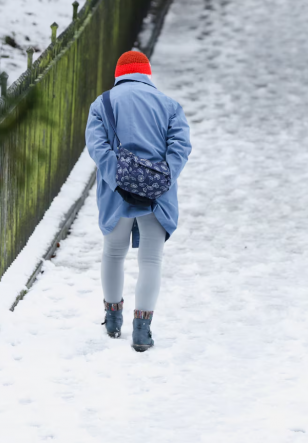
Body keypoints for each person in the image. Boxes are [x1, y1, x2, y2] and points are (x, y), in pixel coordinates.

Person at [85, 50, 192, 352]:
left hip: (115, 194)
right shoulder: (170, 106)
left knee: (114, 253)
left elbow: (97, 145)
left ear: (119, 74)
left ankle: (112, 319)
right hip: (158, 197)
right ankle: (142, 331)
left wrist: (118, 175)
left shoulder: (103, 104)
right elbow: (181, 146)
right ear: (147, 74)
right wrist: (162, 177)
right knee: (150, 260)